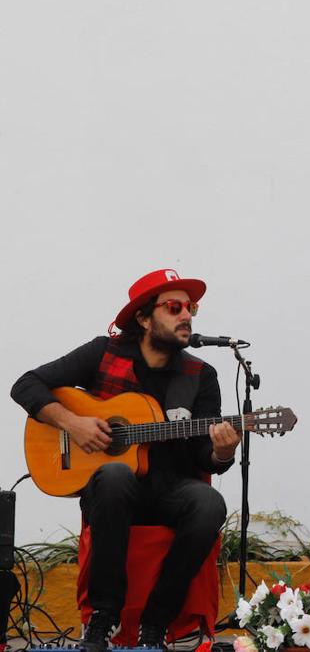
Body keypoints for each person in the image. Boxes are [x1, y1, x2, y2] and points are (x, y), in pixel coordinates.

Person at [10, 269, 240, 651]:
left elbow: (205, 455)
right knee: (116, 473)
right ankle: (103, 617)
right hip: (112, 493)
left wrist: (223, 450)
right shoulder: (103, 353)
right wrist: (73, 423)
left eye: (191, 307)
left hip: (170, 492)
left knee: (208, 502)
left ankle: (157, 622)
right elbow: (26, 385)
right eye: (174, 307)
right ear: (144, 318)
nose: (186, 315)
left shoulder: (200, 375)